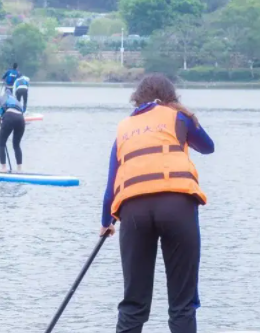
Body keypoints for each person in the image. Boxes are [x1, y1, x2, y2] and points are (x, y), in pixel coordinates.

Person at [100, 73, 214, 333]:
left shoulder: (125, 128)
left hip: (133, 211)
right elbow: (208, 147)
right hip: (177, 206)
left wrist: (106, 222)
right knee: (182, 302)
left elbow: (110, 185)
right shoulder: (179, 116)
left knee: (133, 301)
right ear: (170, 96)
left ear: (137, 99)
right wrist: (185, 119)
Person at [0, 85, 25, 173]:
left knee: (1, 143)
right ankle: (19, 169)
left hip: (10, 116)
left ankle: (3, 168)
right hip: (21, 118)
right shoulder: (16, 100)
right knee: (16, 145)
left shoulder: (2, 97)